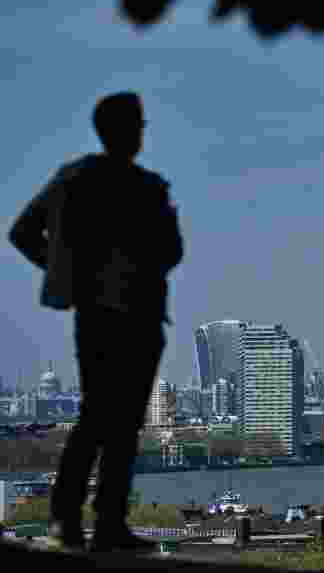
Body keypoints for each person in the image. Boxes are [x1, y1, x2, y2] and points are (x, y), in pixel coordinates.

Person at [8, 92, 183, 552]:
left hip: (115, 316)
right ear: (126, 130)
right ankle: (91, 522)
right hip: (126, 315)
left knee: (110, 421)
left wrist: (65, 273)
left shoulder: (82, 180)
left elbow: (23, 233)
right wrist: (71, 276)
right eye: (138, 125)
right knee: (109, 420)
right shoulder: (139, 186)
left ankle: (91, 522)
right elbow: (172, 251)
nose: (140, 134)